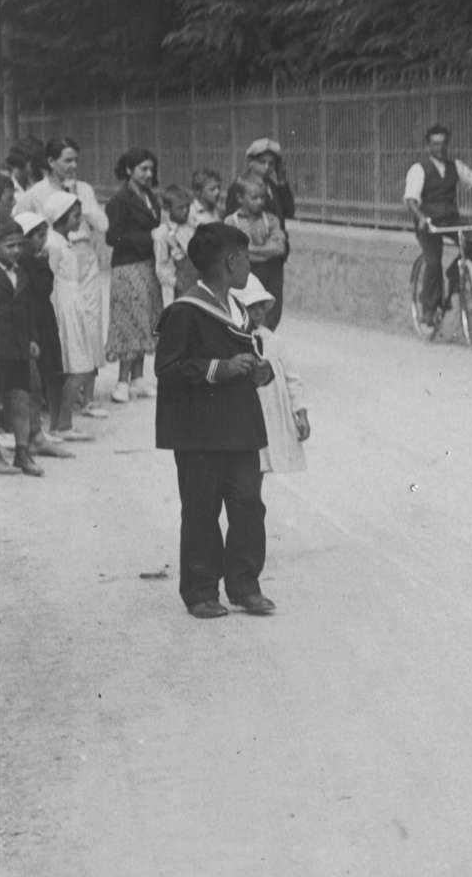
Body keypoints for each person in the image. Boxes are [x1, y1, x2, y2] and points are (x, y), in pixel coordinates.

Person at [155, 222, 276, 620]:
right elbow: (168, 368)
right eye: (245, 258)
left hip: (239, 425)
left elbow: (249, 355)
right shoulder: (185, 310)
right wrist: (219, 368)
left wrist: (259, 371)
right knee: (201, 508)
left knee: (247, 505)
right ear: (230, 261)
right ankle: (200, 589)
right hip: (200, 431)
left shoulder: (238, 309)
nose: (248, 266)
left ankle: (244, 584)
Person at [23, 138, 108, 415]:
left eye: (75, 160)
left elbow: (101, 223)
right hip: (57, 259)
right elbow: (19, 223)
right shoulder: (36, 192)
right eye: (67, 160)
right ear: (51, 162)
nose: (73, 166)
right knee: (64, 325)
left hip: (84, 256)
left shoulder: (84, 188)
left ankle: (89, 396)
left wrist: (79, 199)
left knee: (91, 322)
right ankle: (59, 395)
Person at [404, 124, 472, 330]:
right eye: (435, 144)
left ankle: (455, 273)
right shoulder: (419, 169)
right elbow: (411, 200)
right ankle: (428, 308)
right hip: (427, 223)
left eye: (443, 143)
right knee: (432, 260)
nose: (440, 148)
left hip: (449, 219)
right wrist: (421, 218)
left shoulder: (455, 166)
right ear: (428, 146)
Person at [105, 147, 164, 403]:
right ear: (129, 170)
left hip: (148, 265)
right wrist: (147, 238)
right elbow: (113, 237)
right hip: (128, 266)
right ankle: (121, 381)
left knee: (145, 319)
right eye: (143, 169)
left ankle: (138, 379)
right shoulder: (120, 200)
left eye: (151, 169)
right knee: (129, 320)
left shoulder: (149, 195)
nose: (149, 174)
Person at [235, 274, 310, 476]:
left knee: (262, 464)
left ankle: (253, 503)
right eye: (251, 307)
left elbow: (293, 379)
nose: (258, 312)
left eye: (261, 306)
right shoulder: (234, 343)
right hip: (247, 417)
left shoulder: (274, 342)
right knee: (246, 467)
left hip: (271, 415)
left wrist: (301, 414)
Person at [42, 193, 102, 440]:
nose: (79, 220)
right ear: (61, 218)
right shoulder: (53, 244)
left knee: (79, 365)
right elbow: (50, 279)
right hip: (63, 307)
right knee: (76, 367)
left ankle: (62, 423)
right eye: (75, 216)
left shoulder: (64, 242)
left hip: (74, 305)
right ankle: (62, 424)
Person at [15, 210, 74, 446]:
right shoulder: (28, 260)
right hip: (33, 318)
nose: (43, 240)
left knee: (50, 367)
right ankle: (37, 426)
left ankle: (50, 424)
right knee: (39, 372)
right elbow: (42, 288)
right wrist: (43, 263)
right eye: (38, 235)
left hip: (43, 316)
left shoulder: (35, 258)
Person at [225, 139, 297, 324]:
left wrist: (281, 181)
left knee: (272, 308)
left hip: (273, 261)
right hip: (251, 262)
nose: (267, 167)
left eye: (271, 164)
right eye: (262, 162)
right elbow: (235, 224)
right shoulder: (240, 187)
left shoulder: (272, 187)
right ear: (251, 162)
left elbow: (289, 210)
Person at [0, 217, 46, 477]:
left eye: (18, 245)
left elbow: (29, 310)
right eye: (9, 246)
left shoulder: (21, 273)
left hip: (18, 347)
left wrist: (32, 338)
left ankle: (22, 452)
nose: (15, 251)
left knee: (20, 398)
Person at [227, 175, 289, 329]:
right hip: (244, 276)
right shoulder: (231, 221)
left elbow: (279, 248)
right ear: (240, 198)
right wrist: (264, 250)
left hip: (267, 274)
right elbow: (231, 250)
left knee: (269, 316)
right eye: (254, 198)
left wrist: (248, 249)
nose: (260, 202)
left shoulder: (271, 220)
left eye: (262, 197)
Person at [155, 184, 198, 300]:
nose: (185, 211)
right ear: (167, 209)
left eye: (187, 206)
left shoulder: (192, 227)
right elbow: (161, 267)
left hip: (197, 283)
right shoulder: (163, 233)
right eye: (180, 208)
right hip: (178, 290)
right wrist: (175, 282)